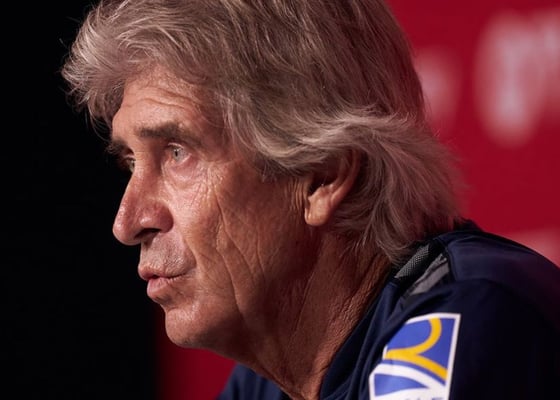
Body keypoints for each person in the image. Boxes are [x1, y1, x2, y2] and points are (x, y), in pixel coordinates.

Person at [60, 0, 560, 399]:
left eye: (177, 153)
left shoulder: (470, 319)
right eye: (130, 163)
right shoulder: (265, 383)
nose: (128, 222)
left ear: (323, 174)